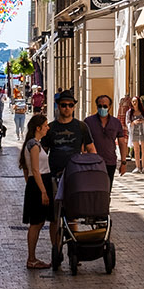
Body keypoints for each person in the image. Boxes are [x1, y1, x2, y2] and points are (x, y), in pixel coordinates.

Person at [40, 89, 94, 267]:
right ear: (58, 106)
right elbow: (43, 152)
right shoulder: (51, 128)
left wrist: (92, 168)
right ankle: (56, 250)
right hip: (55, 175)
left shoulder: (81, 127)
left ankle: (73, 248)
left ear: (74, 107)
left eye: (70, 105)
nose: (67, 108)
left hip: (75, 176)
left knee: (73, 214)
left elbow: (91, 149)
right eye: (64, 105)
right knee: (55, 217)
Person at [19, 114, 57, 270]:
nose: (48, 128)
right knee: (36, 222)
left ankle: (34, 257)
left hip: (39, 183)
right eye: (46, 125)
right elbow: (34, 169)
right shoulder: (33, 145)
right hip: (40, 183)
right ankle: (31, 258)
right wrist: (42, 191)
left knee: (40, 221)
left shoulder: (36, 144)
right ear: (38, 128)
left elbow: (26, 169)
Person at [83, 94, 129, 184]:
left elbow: (122, 143)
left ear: (110, 107)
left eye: (105, 106)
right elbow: (83, 143)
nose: (102, 108)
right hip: (93, 162)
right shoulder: (88, 122)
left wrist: (123, 163)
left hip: (110, 162)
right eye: (100, 106)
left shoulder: (116, 123)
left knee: (107, 190)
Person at [127, 96, 144, 172]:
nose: (134, 103)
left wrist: (143, 121)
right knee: (136, 150)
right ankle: (137, 167)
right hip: (134, 133)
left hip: (143, 132)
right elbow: (127, 122)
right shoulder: (129, 112)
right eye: (133, 101)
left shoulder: (143, 111)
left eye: (136, 101)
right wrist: (133, 122)